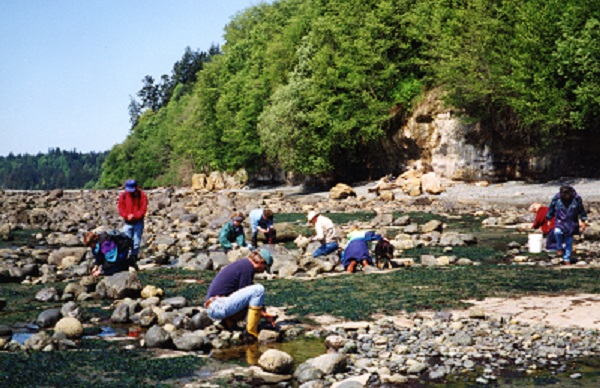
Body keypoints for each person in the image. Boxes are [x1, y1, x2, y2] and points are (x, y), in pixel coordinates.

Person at [204, 248, 277, 340]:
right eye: (265, 268)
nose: (263, 271)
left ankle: (228, 323)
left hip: (213, 306)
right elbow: (249, 296)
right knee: (259, 289)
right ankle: (251, 333)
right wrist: (264, 314)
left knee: (248, 305)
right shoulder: (247, 268)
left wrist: (264, 314)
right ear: (261, 262)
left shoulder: (244, 265)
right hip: (218, 306)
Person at [546, 185, 587, 264]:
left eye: (566, 195)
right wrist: (549, 218)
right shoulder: (557, 199)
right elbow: (551, 208)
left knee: (569, 241)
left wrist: (583, 221)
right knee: (557, 232)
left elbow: (581, 211)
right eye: (563, 195)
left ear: (570, 194)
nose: (565, 196)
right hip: (560, 221)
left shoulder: (576, 200)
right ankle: (559, 247)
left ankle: (567, 259)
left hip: (572, 223)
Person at [118, 179, 148, 262]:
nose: (130, 192)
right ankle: (124, 256)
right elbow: (121, 208)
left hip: (138, 221)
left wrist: (134, 215)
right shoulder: (123, 195)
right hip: (127, 222)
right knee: (126, 240)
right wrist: (126, 215)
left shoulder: (141, 195)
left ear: (136, 187)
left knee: (136, 241)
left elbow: (143, 209)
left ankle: (134, 257)